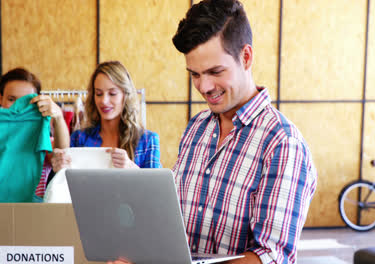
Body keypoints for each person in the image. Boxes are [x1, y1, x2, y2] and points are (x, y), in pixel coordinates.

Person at [110, 0, 316, 264]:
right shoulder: (197, 128)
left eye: (215, 71)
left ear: (246, 57)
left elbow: (270, 257)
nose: (204, 87)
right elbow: (174, 223)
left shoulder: (283, 144)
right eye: (194, 74)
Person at [51, 61, 161, 170]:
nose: (104, 101)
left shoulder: (148, 140)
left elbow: (156, 187)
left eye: (112, 93)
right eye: (99, 94)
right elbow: (66, 184)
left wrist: (132, 168)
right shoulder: (79, 138)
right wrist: (59, 168)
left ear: (126, 95)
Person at [0, 67, 70, 148]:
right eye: (11, 99)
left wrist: (59, 117)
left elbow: (61, 151)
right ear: (1, 99)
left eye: (26, 101)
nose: (18, 107)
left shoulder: (37, 131)